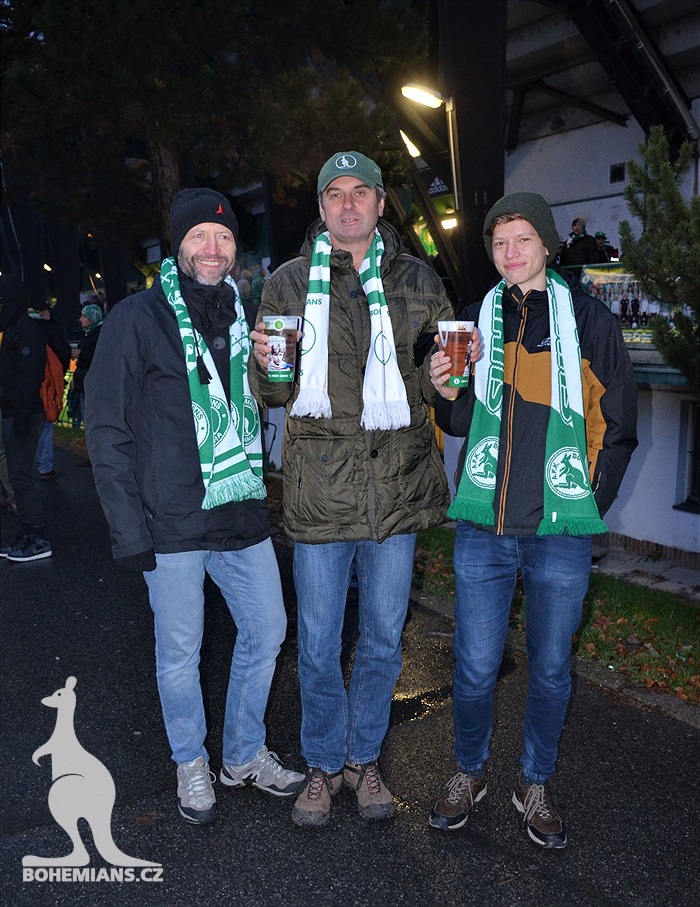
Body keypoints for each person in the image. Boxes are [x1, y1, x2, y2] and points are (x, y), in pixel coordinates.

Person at [249, 151, 479, 828]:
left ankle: (362, 758)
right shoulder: (288, 285)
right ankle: (323, 764)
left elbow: (445, 385)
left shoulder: (419, 280)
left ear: (381, 205)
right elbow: (273, 391)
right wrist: (264, 368)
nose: (349, 205)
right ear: (321, 209)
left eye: (362, 193)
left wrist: (447, 380)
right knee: (318, 643)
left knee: (383, 638)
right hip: (322, 493)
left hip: (397, 492)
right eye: (336, 195)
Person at [85, 187, 304, 826]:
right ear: (177, 246)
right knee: (179, 651)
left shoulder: (247, 317)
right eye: (200, 237)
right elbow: (105, 428)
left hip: (238, 511)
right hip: (171, 521)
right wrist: (129, 529)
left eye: (225, 237)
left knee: (267, 629)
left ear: (236, 248)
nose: (214, 249)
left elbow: (265, 404)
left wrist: (270, 371)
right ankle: (190, 761)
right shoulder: (136, 319)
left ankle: (241, 753)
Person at [427, 193, 637, 849]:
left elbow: (618, 425)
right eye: (500, 242)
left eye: (523, 239)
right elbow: (458, 423)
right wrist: (443, 389)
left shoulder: (591, 322)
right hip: (483, 527)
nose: (511, 252)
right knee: (473, 665)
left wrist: (586, 503)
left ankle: (534, 781)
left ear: (547, 245)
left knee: (550, 668)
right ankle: (470, 772)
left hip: (559, 533)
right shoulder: (474, 320)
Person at [0, 275, 52, 561]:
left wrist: (19, 416)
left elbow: (30, 377)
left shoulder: (25, 329)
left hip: (24, 414)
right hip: (16, 412)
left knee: (22, 478)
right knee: (19, 478)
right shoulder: (14, 328)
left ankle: (39, 538)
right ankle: (27, 533)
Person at [29, 303, 71, 480]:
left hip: (25, 384)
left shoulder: (19, 328)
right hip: (47, 383)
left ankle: (19, 469)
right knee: (46, 424)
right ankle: (45, 466)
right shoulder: (51, 328)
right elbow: (63, 353)